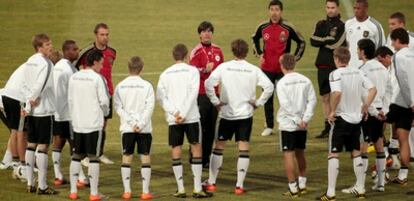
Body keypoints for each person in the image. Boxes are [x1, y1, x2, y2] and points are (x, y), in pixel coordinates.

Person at [204, 39, 274, 195]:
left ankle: (212, 182)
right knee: (243, 149)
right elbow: (269, 87)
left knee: (219, 148)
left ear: (233, 51)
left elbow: (209, 84)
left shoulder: (224, 67)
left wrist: (216, 101)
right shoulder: (253, 69)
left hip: (226, 115)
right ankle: (239, 185)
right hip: (245, 115)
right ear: (246, 52)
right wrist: (258, 103)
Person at [317, 47, 377, 200]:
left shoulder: (335, 74)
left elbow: (337, 93)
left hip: (341, 119)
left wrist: (332, 112)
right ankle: (361, 188)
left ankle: (330, 193)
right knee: (356, 152)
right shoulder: (358, 71)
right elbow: (373, 89)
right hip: (357, 119)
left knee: (333, 154)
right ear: (348, 59)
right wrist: (365, 106)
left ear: (336, 59)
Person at [157, 44, 212, 198]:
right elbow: (193, 93)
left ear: (173, 56)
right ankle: (196, 188)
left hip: (174, 119)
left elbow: (161, 97)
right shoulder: (192, 71)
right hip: (191, 117)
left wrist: (176, 113)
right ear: (187, 56)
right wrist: (184, 113)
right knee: (196, 147)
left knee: (176, 148)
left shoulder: (165, 74)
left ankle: (180, 188)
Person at [252, 0, 305, 136]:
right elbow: (254, 38)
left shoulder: (288, 27)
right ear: (269, 11)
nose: (274, 12)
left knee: (285, 97)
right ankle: (269, 126)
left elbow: (301, 42)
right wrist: (259, 53)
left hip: (283, 70)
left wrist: (294, 58)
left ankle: (286, 123)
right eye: (272, 9)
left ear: (281, 11)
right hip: (267, 69)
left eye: (277, 9)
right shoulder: (263, 27)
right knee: (267, 96)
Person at [68, 50, 110, 201]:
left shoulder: (74, 77)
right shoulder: (98, 79)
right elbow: (105, 102)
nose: (102, 65)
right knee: (93, 157)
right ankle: (94, 194)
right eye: (101, 62)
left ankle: (73, 191)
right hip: (93, 124)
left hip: (78, 123)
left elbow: (70, 100)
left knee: (76, 156)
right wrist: (105, 113)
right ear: (96, 62)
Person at [74, 23, 116, 165]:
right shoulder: (86, 52)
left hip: (107, 92)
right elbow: (73, 66)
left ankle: (99, 153)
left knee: (103, 124)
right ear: (96, 35)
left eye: (107, 34)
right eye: (102, 34)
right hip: (90, 94)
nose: (105, 37)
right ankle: (84, 155)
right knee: (88, 123)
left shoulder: (112, 52)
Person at [114, 56, 154, 200]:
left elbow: (118, 108)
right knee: (145, 157)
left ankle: (127, 191)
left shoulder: (120, 86)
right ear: (142, 68)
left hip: (127, 128)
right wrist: (140, 124)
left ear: (128, 67)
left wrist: (131, 123)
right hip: (144, 129)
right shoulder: (147, 86)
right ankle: (145, 192)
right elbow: (149, 108)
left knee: (126, 157)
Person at [353, 39, 391, 192]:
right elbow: (389, 90)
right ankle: (381, 184)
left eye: (358, 49)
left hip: (369, 112)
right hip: (381, 111)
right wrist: (385, 111)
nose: (357, 52)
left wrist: (373, 111)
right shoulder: (382, 68)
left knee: (363, 146)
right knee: (379, 144)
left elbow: (364, 95)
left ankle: (360, 185)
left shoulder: (362, 70)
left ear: (362, 51)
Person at [21, 33, 57, 194]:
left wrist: (27, 104)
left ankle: (30, 183)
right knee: (43, 146)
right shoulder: (46, 63)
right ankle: (42, 186)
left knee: (31, 144)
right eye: (47, 45)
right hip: (44, 110)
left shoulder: (29, 61)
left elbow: (24, 83)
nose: (51, 47)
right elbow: (40, 85)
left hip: (32, 111)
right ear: (39, 48)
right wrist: (31, 102)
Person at [276, 54, 316, 197]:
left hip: (288, 124)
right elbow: (312, 100)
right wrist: (305, 119)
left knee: (288, 154)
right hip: (302, 125)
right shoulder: (305, 80)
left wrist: (296, 120)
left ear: (282, 66)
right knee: (300, 152)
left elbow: (285, 105)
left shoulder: (281, 83)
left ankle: (293, 188)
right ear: (294, 64)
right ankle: (303, 184)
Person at [190, 21, 224, 168]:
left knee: (210, 128)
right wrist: (204, 70)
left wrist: (220, 96)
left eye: (209, 31)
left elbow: (222, 73)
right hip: (201, 94)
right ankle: (194, 156)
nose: (207, 34)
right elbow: (190, 73)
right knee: (200, 128)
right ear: (199, 34)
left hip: (214, 95)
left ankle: (205, 159)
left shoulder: (218, 51)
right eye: (204, 31)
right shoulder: (196, 51)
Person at [310, 0, 346, 138]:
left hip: (336, 67)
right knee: (324, 97)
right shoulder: (321, 23)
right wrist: (326, 39)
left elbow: (336, 44)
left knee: (336, 96)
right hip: (322, 66)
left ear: (338, 8)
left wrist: (322, 40)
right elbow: (313, 40)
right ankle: (328, 126)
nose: (330, 10)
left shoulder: (342, 25)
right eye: (328, 7)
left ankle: (338, 126)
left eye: (333, 7)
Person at [386, 28, 414, 186]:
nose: (391, 44)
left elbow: (403, 80)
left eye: (393, 41)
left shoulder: (398, 56)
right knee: (404, 139)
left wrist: (411, 101)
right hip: (410, 103)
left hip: (403, 102)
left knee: (379, 124)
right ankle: (403, 175)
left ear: (398, 40)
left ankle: (384, 165)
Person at [51, 40, 80, 186]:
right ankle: (80, 178)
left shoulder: (58, 66)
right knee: (76, 144)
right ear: (67, 51)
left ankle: (58, 176)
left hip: (57, 111)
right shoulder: (68, 70)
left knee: (59, 141)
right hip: (68, 113)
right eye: (75, 49)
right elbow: (75, 93)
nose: (78, 51)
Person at [345, 0, 385, 69]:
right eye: (354, 8)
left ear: (366, 9)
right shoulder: (348, 23)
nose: (356, 11)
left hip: (368, 67)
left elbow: (380, 48)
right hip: (351, 66)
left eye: (358, 8)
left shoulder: (375, 26)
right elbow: (347, 44)